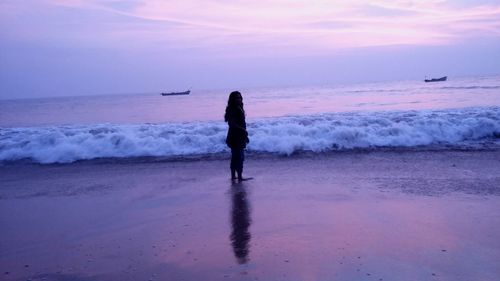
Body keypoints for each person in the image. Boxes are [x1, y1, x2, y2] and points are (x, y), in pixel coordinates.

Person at [224, 91, 249, 181]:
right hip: (235, 136)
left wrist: (245, 134)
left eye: (239, 97)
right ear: (232, 99)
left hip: (238, 136)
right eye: (236, 98)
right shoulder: (233, 109)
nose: (238, 99)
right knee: (239, 157)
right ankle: (239, 177)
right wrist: (244, 131)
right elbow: (232, 124)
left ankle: (234, 176)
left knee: (235, 156)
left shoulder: (239, 108)